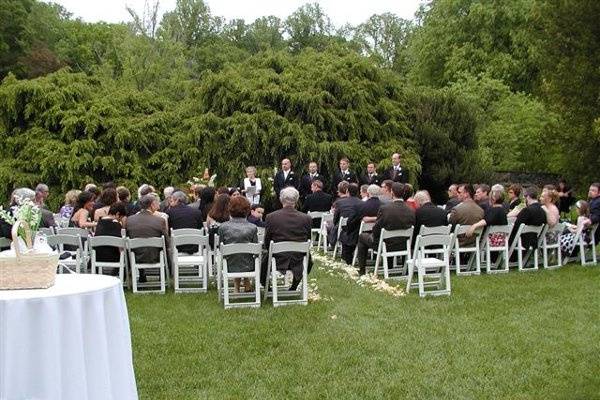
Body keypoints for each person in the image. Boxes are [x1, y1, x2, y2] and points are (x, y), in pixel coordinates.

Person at [356, 183, 415, 275]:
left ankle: (362, 269)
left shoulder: (385, 209)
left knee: (362, 237)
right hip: (404, 244)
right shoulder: (410, 210)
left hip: (385, 244)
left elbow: (376, 229)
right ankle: (390, 266)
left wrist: (374, 235)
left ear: (392, 193)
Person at [261, 187, 312, 290]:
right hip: (299, 258)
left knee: (263, 262)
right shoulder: (306, 218)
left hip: (277, 258)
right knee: (309, 260)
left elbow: (267, 240)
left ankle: (266, 285)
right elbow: (308, 239)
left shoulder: (271, 217)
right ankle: (294, 285)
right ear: (297, 200)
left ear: (281, 199)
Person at [218, 196, 258, 292]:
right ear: (248, 210)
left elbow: (221, 248)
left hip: (229, 265)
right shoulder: (252, 227)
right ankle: (246, 284)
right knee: (245, 255)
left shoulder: (223, 227)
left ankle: (237, 287)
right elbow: (256, 249)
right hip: (249, 266)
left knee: (234, 255)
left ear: (230, 209)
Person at [126, 194, 170, 282]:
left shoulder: (130, 220)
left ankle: (142, 274)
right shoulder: (160, 220)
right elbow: (166, 242)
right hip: (155, 256)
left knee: (138, 247)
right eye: (157, 202)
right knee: (166, 248)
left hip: (135, 256)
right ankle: (164, 275)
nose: (159, 204)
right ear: (152, 204)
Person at [344, 184, 382, 264]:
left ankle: (357, 263)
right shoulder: (384, 206)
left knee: (348, 234)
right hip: (379, 234)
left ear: (368, 193)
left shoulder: (361, 205)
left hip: (362, 234)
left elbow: (351, 221)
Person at [509, 186, 547, 255]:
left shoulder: (527, 210)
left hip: (521, 242)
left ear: (528, 197)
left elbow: (516, 226)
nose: (524, 200)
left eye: (524, 198)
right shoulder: (542, 210)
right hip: (534, 241)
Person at [94, 202, 128, 269]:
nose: (120, 220)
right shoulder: (116, 224)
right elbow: (120, 246)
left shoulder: (99, 222)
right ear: (118, 214)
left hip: (97, 256)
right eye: (120, 218)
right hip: (113, 257)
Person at [329, 182, 362, 248]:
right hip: (357, 229)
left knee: (329, 226)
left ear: (347, 191)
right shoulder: (362, 202)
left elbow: (335, 219)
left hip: (344, 228)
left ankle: (331, 243)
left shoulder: (339, 202)